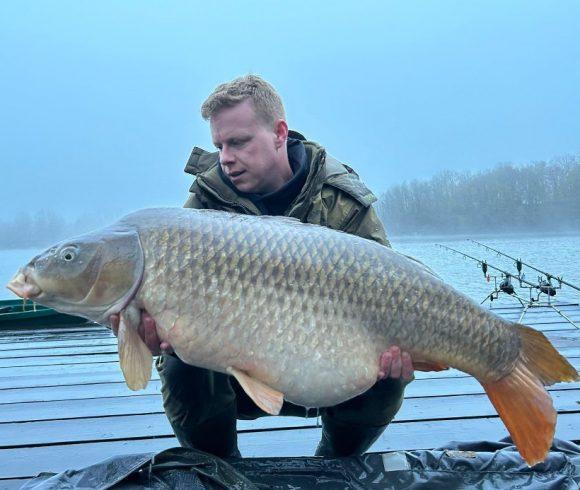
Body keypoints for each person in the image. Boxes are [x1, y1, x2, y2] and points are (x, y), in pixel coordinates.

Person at [111, 75, 414, 458]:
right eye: (219, 145)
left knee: (388, 371)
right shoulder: (205, 206)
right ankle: (217, 469)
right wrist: (152, 338)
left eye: (238, 142)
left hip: (331, 373)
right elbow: (169, 316)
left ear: (279, 133)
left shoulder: (342, 201)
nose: (225, 157)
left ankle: (339, 463)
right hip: (237, 378)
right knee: (179, 364)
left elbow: (394, 287)